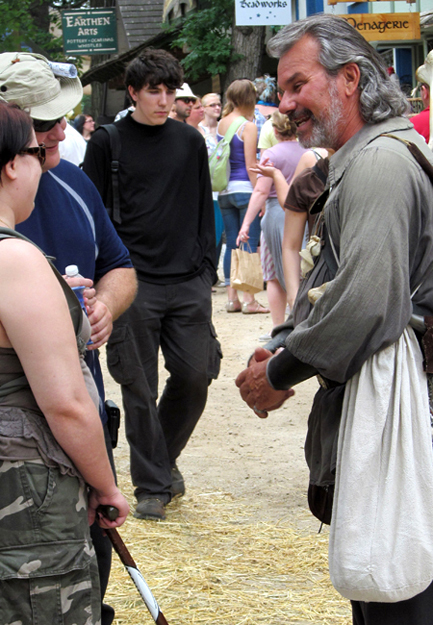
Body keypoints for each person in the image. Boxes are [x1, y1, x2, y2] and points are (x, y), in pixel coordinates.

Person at [236, 14, 433, 624]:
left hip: (401, 419)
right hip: (388, 410)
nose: (286, 101)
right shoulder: (368, 156)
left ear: (349, 79)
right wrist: (283, 342)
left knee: (396, 596)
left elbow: (368, 301)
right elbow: (338, 285)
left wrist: (283, 369)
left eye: (297, 84)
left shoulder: (377, 164)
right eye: (281, 87)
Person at [0, 50, 137, 625]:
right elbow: (64, 401)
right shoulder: (15, 257)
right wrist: (106, 486)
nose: (59, 134)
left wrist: (99, 304)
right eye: (38, 132)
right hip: (33, 478)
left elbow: (121, 267)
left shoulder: (72, 182)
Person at [83, 48, 220, 522]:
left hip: (188, 280)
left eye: (170, 91)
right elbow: (92, 214)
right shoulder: (108, 142)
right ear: (134, 92)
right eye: (154, 91)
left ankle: (161, 462)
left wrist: (206, 268)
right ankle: (152, 485)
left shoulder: (189, 141)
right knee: (137, 386)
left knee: (195, 375)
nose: (163, 100)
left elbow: (206, 208)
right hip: (131, 281)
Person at [238, 112, 306, 328]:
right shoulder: (308, 151)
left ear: (274, 131)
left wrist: (247, 223)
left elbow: (260, 191)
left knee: (274, 274)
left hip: (276, 213)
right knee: (302, 269)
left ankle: (279, 327)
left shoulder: (271, 155)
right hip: (303, 215)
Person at [217, 79, 269, 314]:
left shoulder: (222, 123)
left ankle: (232, 299)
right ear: (250, 99)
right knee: (249, 243)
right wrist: (261, 194)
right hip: (246, 190)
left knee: (231, 246)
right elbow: (251, 165)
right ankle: (249, 300)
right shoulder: (248, 126)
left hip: (225, 192)